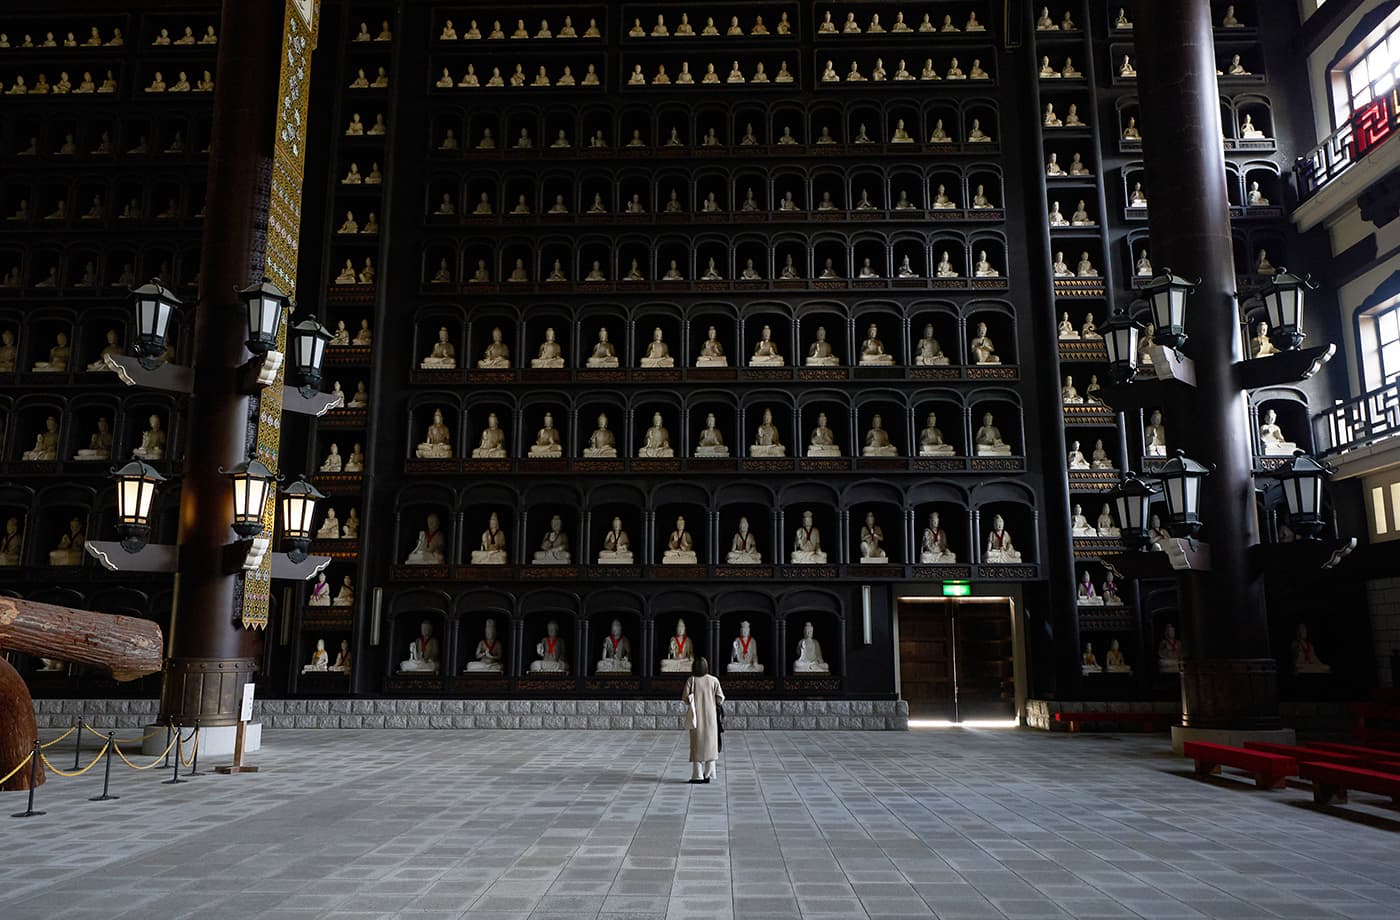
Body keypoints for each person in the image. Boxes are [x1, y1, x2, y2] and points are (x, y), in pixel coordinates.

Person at [682, 656, 725, 784]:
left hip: (696, 717)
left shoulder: (692, 680)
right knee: (710, 745)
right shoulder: (713, 680)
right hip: (711, 717)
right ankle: (708, 774)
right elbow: (720, 698)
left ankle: (697, 775)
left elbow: (685, 698)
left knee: (697, 745)